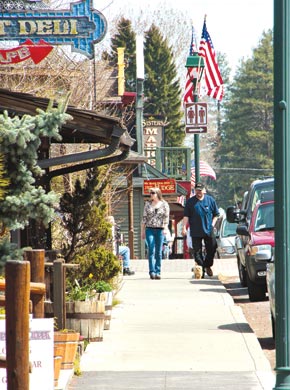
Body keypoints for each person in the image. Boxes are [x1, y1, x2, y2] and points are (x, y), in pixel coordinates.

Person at [182, 182, 219, 277]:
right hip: (195, 230)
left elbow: (216, 214)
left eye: (200, 190)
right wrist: (183, 228)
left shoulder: (210, 200)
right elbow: (186, 216)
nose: (199, 192)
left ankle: (207, 265)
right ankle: (201, 269)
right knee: (197, 252)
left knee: (213, 247)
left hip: (208, 229)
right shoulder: (190, 202)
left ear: (204, 190)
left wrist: (212, 224)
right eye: (197, 190)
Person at [141, 187, 170, 280]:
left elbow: (166, 218)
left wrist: (165, 228)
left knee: (158, 251)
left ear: (158, 193)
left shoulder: (164, 204)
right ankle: (152, 271)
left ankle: (158, 271)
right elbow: (144, 218)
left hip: (160, 229)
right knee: (151, 249)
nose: (151, 195)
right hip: (149, 229)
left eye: (153, 193)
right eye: (150, 193)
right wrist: (142, 231)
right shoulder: (147, 204)